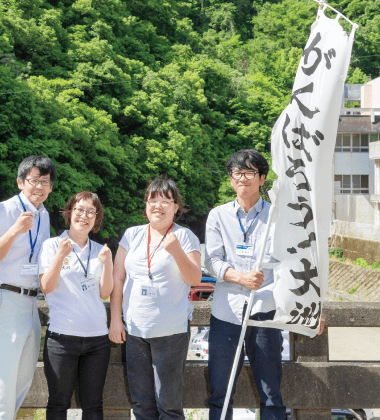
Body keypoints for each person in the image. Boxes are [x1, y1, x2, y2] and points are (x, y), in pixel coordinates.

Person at [204, 149, 326, 420]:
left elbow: (296, 265)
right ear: (230, 179)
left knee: (271, 394)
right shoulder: (218, 216)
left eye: (250, 172)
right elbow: (211, 261)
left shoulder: (279, 216)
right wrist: (239, 277)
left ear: (262, 179)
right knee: (219, 393)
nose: (242, 178)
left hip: (265, 314)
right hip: (226, 314)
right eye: (237, 172)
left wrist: (312, 308)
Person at [109, 176, 202, 420]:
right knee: (141, 405)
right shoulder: (132, 235)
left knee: (168, 407)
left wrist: (176, 251)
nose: (158, 205)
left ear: (176, 207)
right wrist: (115, 320)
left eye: (165, 200)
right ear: (145, 205)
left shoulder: (185, 237)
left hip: (171, 331)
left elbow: (194, 278)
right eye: (153, 200)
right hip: (135, 330)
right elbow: (117, 278)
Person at [0, 155, 55, 418]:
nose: (39, 186)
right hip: (4, 299)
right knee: (2, 386)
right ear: (21, 182)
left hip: (30, 303)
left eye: (45, 181)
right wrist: (14, 230)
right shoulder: (7, 209)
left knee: (22, 383)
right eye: (33, 180)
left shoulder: (43, 215)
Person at [39, 191, 113, 420]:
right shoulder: (52, 245)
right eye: (80, 210)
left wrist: (108, 264)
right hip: (62, 338)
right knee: (58, 403)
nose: (85, 216)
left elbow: (105, 292)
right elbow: (46, 287)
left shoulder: (99, 250)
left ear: (97, 217)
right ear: (70, 212)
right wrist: (60, 256)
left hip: (97, 339)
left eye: (91, 212)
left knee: (93, 405)